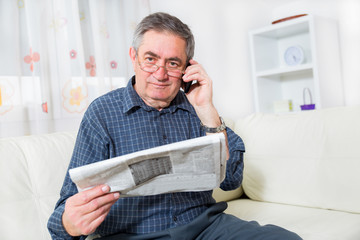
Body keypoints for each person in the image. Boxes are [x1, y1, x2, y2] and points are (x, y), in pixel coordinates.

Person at [48, 12, 301, 240]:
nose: (160, 74)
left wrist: (206, 109)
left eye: (172, 63)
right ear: (133, 57)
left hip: (206, 228)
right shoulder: (101, 113)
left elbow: (232, 180)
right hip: (132, 235)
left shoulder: (197, 106)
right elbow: (64, 215)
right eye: (150, 59)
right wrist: (70, 223)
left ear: (186, 68)